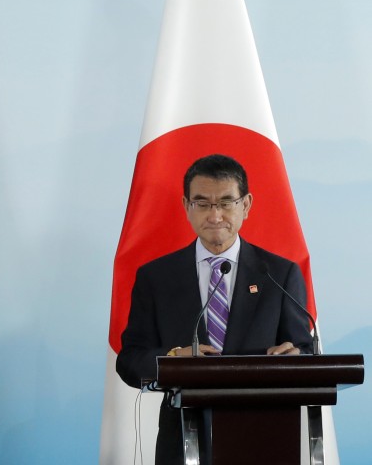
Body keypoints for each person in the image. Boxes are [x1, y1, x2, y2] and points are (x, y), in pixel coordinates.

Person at [116, 153, 313, 465]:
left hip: (262, 437)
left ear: (246, 205)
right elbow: (129, 360)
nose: (215, 214)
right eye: (203, 203)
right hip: (183, 439)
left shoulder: (279, 274)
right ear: (186, 207)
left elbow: (306, 351)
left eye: (226, 202)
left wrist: (296, 357)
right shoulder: (156, 277)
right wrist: (171, 359)